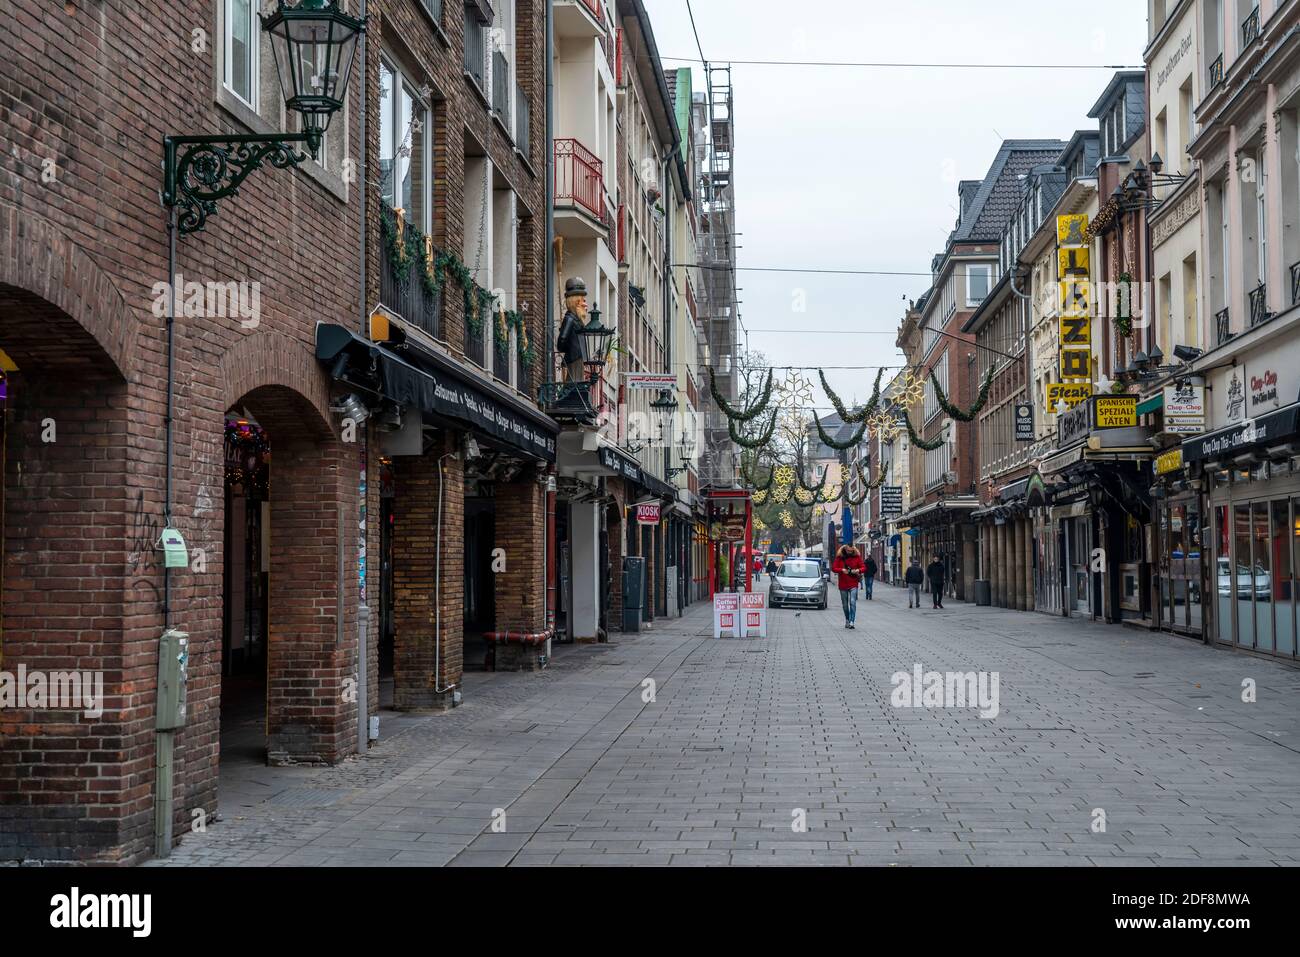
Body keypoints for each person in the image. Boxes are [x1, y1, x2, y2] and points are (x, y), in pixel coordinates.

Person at [555, 277, 589, 383]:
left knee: (578, 382)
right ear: (576, 302)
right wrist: (567, 349)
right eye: (583, 300)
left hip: (578, 357)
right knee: (574, 383)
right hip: (574, 358)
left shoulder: (577, 319)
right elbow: (562, 339)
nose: (585, 304)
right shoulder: (570, 318)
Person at [831, 543, 866, 629]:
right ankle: (847, 619)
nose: (850, 552)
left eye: (851, 550)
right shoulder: (839, 558)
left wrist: (858, 570)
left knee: (853, 602)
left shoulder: (857, 557)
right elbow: (833, 568)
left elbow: (864, 567)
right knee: (845, 605)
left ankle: (852, 622)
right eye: (848, 550)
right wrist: (842, 570)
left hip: (853, 583)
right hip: (843, 584)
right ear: (845, 549)